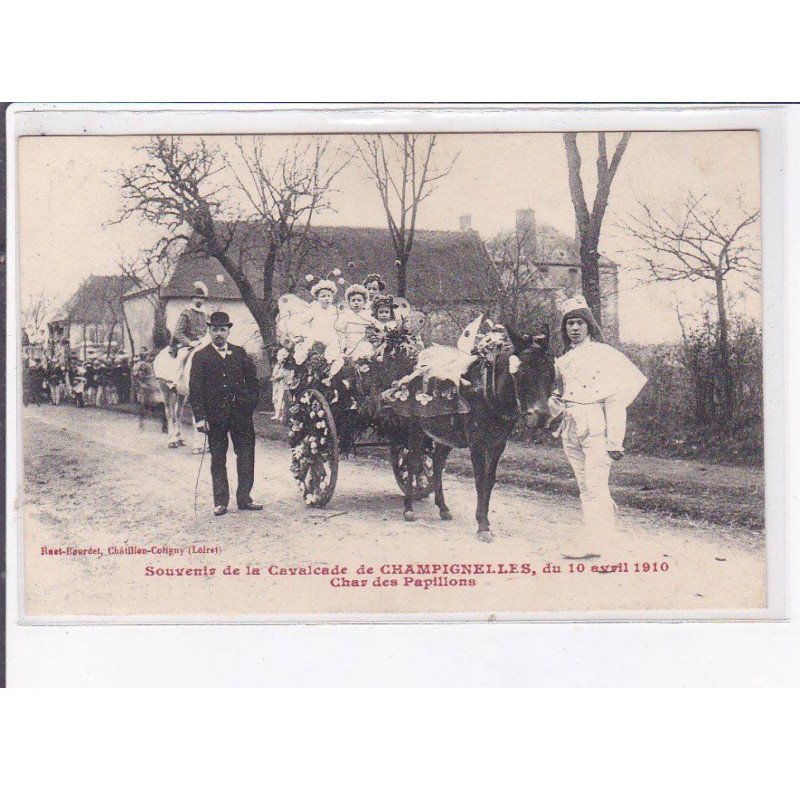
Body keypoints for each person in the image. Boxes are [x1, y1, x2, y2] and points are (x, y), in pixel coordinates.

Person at [549, 296, 647, 552]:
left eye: (580, 323)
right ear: (564, 328)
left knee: (595, 485)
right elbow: (560, 392)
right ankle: (602, 534)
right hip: (570, 427)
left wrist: (615, 439)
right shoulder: (563, 359)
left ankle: (597, 541)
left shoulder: (604, 354)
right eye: (570, 323)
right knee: (585, 485)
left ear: (589, 326)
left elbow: (615, 398)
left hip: (595, 426)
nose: (574, 328)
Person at [189, 311, 262, 517]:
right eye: (214, 330)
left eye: (222, 329)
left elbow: (253, 381)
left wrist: (250, 403)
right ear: (209, 331)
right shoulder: (201, 356)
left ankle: (245, 498)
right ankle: (220, 501)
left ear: (229, 331)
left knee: (246, 454)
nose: (218, 333)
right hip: (215, 418)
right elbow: (195, 389)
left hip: (241, 416)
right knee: (218, 458)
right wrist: (200, 417)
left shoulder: (239, 353)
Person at [169, 282, 209, 375]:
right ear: (192, 299)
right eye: (197, 297)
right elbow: (178, 333)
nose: (200, 300)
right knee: (182, 356)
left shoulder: (205, 314)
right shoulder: (186, 313)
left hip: (202, 343)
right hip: (187, 344)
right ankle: (174, 379)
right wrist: (190, 342)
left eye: (202, 298)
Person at [335, 284, 373, 357]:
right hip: (349, 342)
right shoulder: (346, 315)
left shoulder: (368, 315)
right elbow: (338, 327)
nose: (356, 302)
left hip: (363, 342)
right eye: (353, 300)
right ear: (348, 303)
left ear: (365, 302)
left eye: (359, 300)